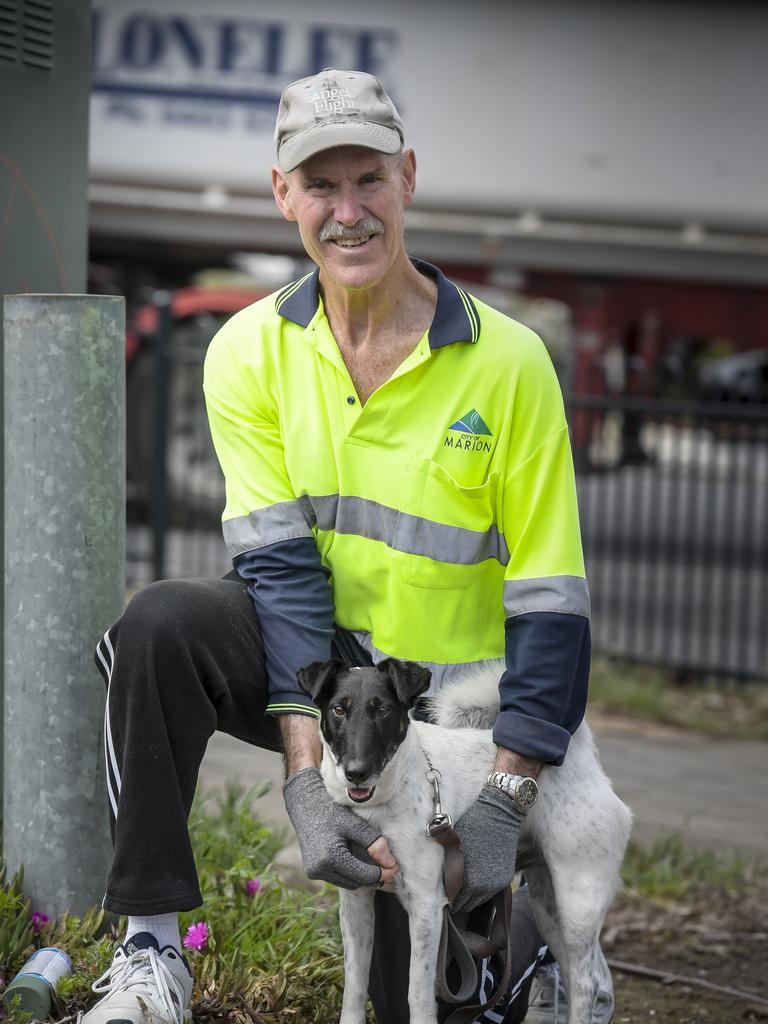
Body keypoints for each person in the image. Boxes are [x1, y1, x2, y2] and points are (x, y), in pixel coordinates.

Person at [83, 69, 610, 1024]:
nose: (348, 210)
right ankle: (151, 953)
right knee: (157, 626)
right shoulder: (246, 351)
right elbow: (280, 579)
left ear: (409, 177)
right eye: (320, 186)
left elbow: (551, 605)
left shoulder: (510, 361)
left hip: (446, 712)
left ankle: (519, 936)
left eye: (368, 178)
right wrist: (305, 785)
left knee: (444, 997)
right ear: (282, 195)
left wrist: (505, 794)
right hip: (324, 677)